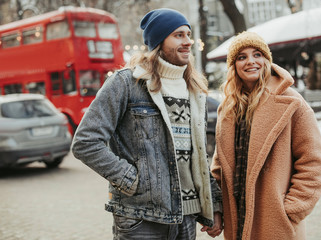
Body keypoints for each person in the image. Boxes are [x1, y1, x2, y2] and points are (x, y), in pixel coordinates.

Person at [72, 8, 222, 240]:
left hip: (186, 218)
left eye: (188, 34)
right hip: (142, 217)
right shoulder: (126, 83)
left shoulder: (194, 90)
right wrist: (131, 180)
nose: (188, 41)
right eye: (178, 35)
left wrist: (215, 205)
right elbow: (85, 142)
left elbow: (199, 156)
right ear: (159, 41)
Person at [210, 31, 321, 240]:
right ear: (233, 65)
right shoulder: (228, 109)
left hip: (274, 222)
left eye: (257, 54)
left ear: (267, 59)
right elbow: (219, 165)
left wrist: (291, 210)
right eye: (241, 57)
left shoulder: (292, 103)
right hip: (237, 219)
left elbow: (313, 163)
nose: (250, 62)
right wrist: (216, 209)